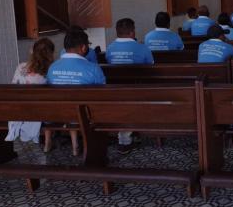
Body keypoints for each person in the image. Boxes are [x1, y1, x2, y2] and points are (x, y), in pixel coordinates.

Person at [47, 28, 106, 156]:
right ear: (84, 48)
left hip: (58, 113)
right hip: (86, 115)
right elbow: (102, 94)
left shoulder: (52, 67)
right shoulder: (93, 68)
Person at [106, 18, 153, 152]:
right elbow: (151, 67)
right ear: (132, 33)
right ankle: (126, 137)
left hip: (115, 89)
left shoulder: (110, 48)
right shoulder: (142, 48)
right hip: (137, 89)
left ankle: (127, 135)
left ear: (117, 32)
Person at [6, 38, 55, 146]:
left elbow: (13, 86)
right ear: (51, 53)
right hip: (39, 112)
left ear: (32, 51)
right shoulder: (51, 70)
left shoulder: (21, 67)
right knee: (50, 103)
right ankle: (48, 141)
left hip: (18, 109)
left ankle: (47, 141)